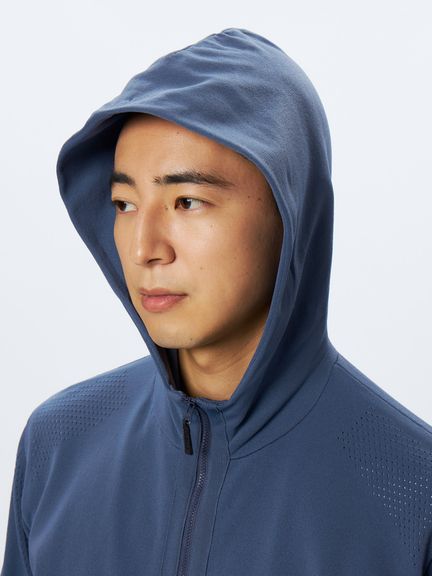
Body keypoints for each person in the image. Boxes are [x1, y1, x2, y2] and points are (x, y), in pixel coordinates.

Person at [2, 27, 432, 576]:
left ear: (290, 212)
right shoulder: (59, 442)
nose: (144, 249)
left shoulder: (413, 493)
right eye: (125, 203)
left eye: (187, 201)